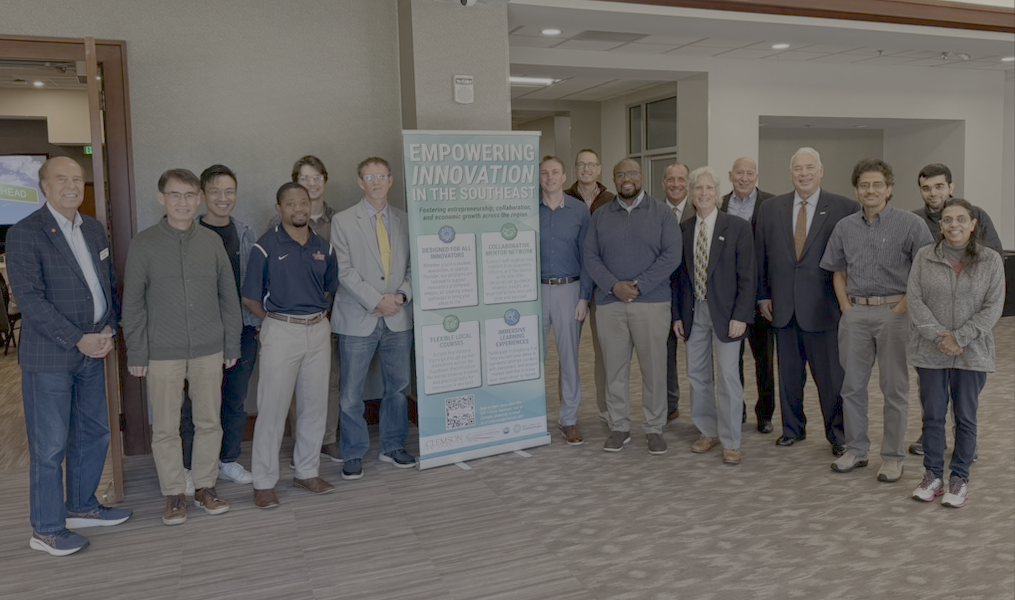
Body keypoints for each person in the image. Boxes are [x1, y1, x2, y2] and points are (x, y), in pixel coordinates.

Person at [7, 157, 132, 556]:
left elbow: (107, 284)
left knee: (93, 432)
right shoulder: (25, 233)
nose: (72, 186)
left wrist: (108, 327)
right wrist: (78, 339)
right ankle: (46, 529)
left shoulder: (92, 228)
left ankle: (81, 505)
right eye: (61, 179)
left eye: (77, 179)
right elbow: (30, 300)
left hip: (94, 349)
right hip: (51, 356)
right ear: (44, 186)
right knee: (50, 446)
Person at [123, 168, 241, 525]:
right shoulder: (143, 243)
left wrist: (231, 344)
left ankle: (205, 487)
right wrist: (137, 351)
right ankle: (174, 492)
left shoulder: (211, 242)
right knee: (165, 427)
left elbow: (228, 297)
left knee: (209, 422)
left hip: (209, 347)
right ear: (162, 199)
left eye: (190, 196)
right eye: (175, 195)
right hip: (162, 350)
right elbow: (133, 303)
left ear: (199, 199)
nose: (183, 203)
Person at [820, 159, 932, 482]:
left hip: (895, 313)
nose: (871, 190)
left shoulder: (911, 224)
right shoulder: (844, 227)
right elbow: (837, 270)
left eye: (877, 184)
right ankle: (856, 450)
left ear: (889, 189)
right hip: (855, 314)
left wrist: (903, 307)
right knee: (852, 386)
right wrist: (846, 307)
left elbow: (925, 270)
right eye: (864, 185)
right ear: (857, 190)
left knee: (894, 388)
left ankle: (893, 457)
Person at [755, 147, 858, 456]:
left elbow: (852, 260)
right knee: (788, 376)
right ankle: (792, 429)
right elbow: (761, 256)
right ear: (791, 174)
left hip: (824, 309)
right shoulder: (770, 208)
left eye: (810, 167)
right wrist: (763, 295)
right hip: (782, 308)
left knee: (831, 379)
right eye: (798, 168)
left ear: (821, 171)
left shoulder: (844, 207)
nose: (804, 173)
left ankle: (838, 434)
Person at [244, 182, 339, 509]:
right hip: (281, 330)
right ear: (279, 208)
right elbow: (250, 297)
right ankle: (264, 482)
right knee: (272, 409)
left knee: (314, 406)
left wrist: (313, 320)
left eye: (304, 202)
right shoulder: (265, 246)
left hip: (318, 330)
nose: (299, 208)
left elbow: (329, 288)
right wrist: (275, 321)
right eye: (291, 203)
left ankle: (307, 472)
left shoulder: (324, 247)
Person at [907, 198, 1004, 507]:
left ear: (973, 224)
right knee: (933, 415)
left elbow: (993, 308)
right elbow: (915, 300)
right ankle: (933, 476)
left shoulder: (990, 260)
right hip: (931, 351)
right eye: (948, 220)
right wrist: (940, 337)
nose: (954, 225)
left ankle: (959, 478)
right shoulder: (924, 256)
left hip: (972, 352)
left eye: (961, 219)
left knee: (965, 417)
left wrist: (960, 337)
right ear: (941, 225)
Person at [584, 159, 681, 454]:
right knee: (614, 370)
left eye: (632, 173)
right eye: (620, 174)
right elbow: (590, 256)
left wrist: (640, 285)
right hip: (610, 304)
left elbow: (672, 254)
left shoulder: (662, 213)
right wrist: (614, 286)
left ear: (642, 177)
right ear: (614, 180)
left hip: (651, 303)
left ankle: (654, 427)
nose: (626, 179)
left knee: (654, 370)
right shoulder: (600, 216)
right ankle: (619, 426)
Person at [330, 157, 415, 480]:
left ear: (390, 180)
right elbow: (343, 270)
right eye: (370, 177)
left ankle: (393, 446)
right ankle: (353, 452)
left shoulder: (406, 219)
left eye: (381, 176)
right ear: (360, 182)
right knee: (351, 393)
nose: (376, 182)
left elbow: (416, 265)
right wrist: (377, 300)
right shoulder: (342, 221)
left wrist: (401, 297)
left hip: (398, 315)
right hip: (357, 316)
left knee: (398, 387)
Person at [179, 165, 259, 489]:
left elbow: (254, 282)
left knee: (235, 399)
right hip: (200, 333)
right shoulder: (188, 232)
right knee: (196, 402)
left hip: (242, 329)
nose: (223, 198)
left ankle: (228, 460)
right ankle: (188, 466)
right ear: (202, 195)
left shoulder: (245, 232)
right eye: (215, 191)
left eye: (229, 191)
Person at [672, 167, 755, 465]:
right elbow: (678, 279)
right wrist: (677, 316)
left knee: (729, 376)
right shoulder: (683, 229)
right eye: (698, 188)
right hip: (693, 311)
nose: (704, 193)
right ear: (691, 194)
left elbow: (748, 276)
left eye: (709, 188)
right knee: (697, 375)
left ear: (718, 194)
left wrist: (741, 315)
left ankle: (731, 440)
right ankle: (708, 431)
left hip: (728, 314)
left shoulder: (737, 227)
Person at [269, 155, 343, 463]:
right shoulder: (278, 224)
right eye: (304, 178)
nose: (311, 184)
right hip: (292, 320)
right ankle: (302, 442)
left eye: (316, 177)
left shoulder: (340, 220)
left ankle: (328, 438)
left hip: (332, 314)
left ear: (324, 180)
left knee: (330, 380)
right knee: (295, 383)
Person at [719, 157, 776, 433]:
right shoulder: (719, 204)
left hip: (761, 296)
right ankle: (737, 409)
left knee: (764, 359)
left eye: (749, 173)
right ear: (731, 175)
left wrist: (766, 294)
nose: (744, 178)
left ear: (757, 176)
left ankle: (765, 415)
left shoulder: (772, 204)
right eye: (739, 173)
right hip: (729, 296)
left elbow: (774, 253)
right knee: (732, 360)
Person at [539, 156, 591, 445]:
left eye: (555, 172)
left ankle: (568, 419)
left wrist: (584, 297)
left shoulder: (580, 211)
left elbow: (588, 256)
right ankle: (532, 416)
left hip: (570, 290)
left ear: (564, 177)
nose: (550, 177)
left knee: (569, 358)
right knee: (532, 358)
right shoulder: (528, 208)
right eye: (545, 173)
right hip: (534, 292)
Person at [565, 149, 614, 424]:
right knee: (567, 351)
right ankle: (567, 412)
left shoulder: (611, 200)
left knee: (605, 352)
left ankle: (606, 409)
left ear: (599, 169)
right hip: (572, 285)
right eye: (581, 164)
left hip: (602, 286)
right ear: (575, 169)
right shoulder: (563, 198)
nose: (586, 169)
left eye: (591, 165)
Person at [661, 161, 695, 424]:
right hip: (662, 293)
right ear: (663, 183)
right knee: (664, 354)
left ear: (688, 183)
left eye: (681, 179)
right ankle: (669, 404)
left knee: (698, 357)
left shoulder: (701, 209)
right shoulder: (654, 212)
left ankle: (702, 412)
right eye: (671, 179)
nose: (676, 184)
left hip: (694, 295)